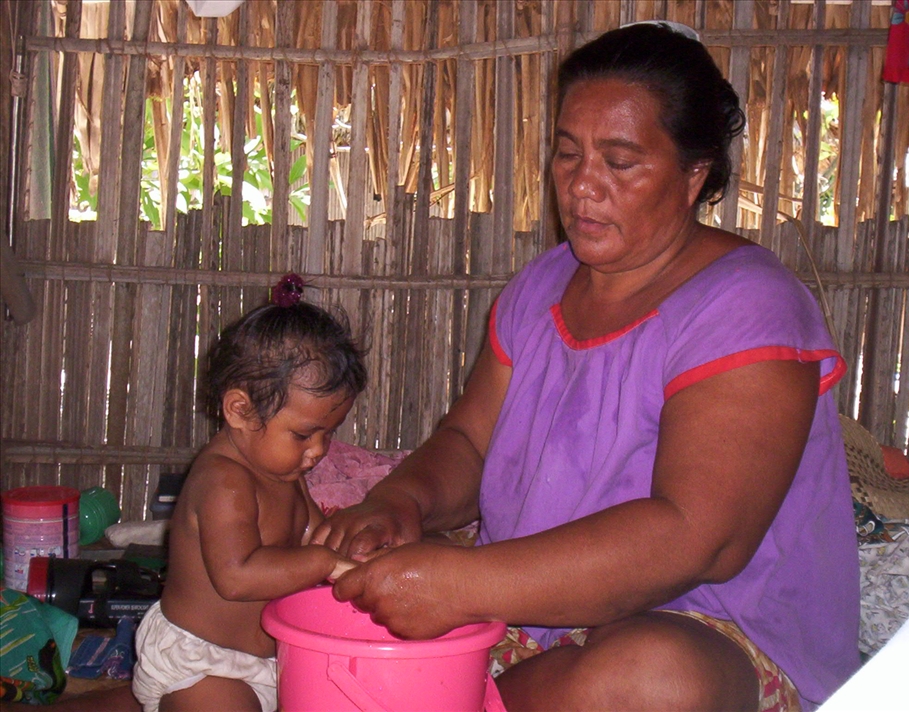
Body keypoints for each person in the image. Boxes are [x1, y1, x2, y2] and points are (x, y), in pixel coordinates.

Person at [316, 21, 861, 712]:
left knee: (652, 676)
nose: (582, 187)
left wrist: (465, 584)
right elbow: (468, 443)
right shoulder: (544, 287)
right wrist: (402, 503)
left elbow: (696, 537)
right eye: (568, 155)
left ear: (694, 175)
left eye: (621, 161)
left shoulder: (748, 305)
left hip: (708, 629)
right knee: (310, 588)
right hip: (528, 611)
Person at [132, 294, 366, 712]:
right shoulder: (223, 481)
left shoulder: (284, 471)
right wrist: (325, 564)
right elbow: (236, 577)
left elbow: (315, 535)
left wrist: (359, 554)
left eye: (328, 434)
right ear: (240, 410)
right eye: (303, 435)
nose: (318, 451)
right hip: (203, 662)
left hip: (272, 659)